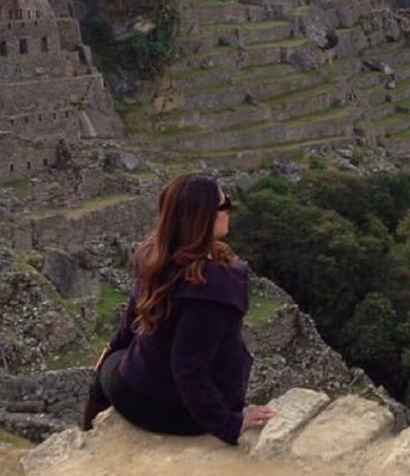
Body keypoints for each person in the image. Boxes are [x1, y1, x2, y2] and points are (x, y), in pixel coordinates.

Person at [81, 173, 274, 443]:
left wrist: (113, 348)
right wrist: (230, 424)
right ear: (202, 218)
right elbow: (188, 368)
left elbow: (133, 318)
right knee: (114, 363)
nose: (230, 209)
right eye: (224, 205)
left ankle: (88, 430)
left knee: (107, 367)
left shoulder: (154, 256)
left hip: (137, 388)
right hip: (172, 410)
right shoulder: (213, 287)